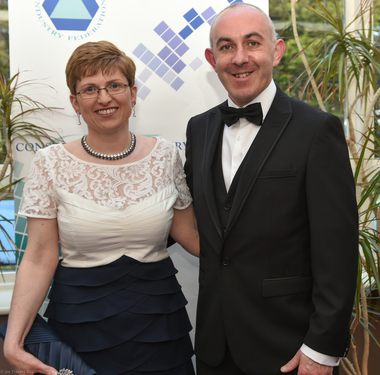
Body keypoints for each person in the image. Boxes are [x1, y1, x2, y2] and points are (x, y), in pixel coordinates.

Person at [4, 40, 199, 375]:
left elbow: (192, 236)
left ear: (133, 94)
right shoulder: (50, 163)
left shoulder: (166, 156)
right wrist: (13, 341)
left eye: (115, 86)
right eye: (90, 89)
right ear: (75, 103)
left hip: (160, 325)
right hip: (81, 325)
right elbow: (38, 258)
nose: (104, 98)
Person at [184, 3, 358, 375]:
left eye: (253, 43)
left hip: (290, 351)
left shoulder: (317, 130)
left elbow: (337, 251)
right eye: (227, 47)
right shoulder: (198, 129)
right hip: (215, 349)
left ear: (276, 52)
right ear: (212, 58)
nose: (240, 58)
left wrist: (322, 349)